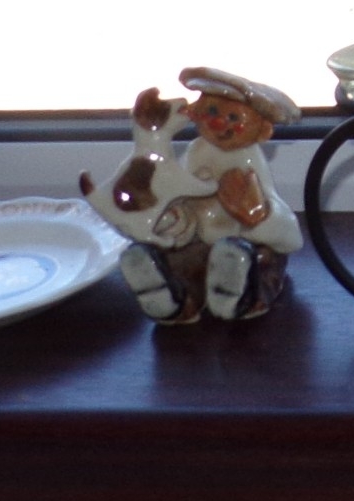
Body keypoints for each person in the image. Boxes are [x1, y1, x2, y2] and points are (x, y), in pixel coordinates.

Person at [84, 66, 304, 324]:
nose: (218, 123)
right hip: (202, 243)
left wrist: (260, 216)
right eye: (212, 111)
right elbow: (186, 199)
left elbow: (291, 238)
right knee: (180, 260)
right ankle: (172, 299)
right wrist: (178, 221)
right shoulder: (198, 150)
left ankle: (239, 296)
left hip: (244, 242)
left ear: (263, 132)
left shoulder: (249, 163)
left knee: (261, 260)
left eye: (234, 118)